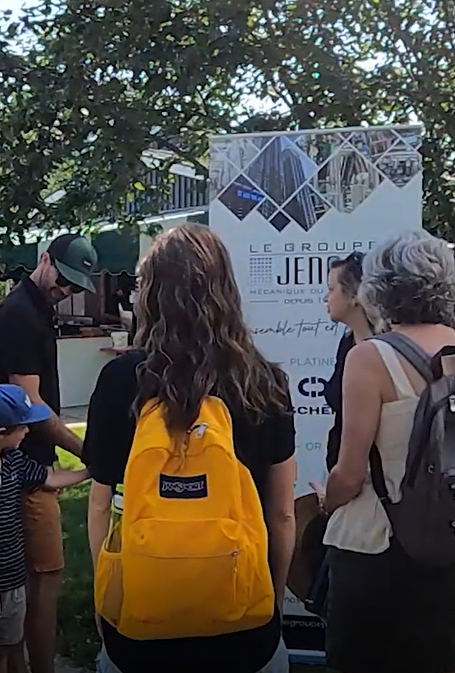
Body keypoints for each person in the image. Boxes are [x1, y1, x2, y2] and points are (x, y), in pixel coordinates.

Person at [83, 223, 297, 673]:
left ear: (152, 295)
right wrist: (272, 600)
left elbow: (101, 507)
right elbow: (281, 514)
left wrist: (107, 605)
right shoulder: (265, 383)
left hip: (142, 627)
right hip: (244, 630)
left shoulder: (123, 381)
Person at [321, 229, 455, 673]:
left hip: (377, 550)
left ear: (380, 288)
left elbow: (351, 472)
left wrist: (327, 501)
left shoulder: (370, 357)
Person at [0, 233, 98, 673]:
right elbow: (29, 406)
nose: (64, 291)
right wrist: (87, 450)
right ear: (44, 260)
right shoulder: (21, 317)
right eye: (62, 280)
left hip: (18, 463)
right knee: (44, 577)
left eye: (74, 286)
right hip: (22, 464)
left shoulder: (32, 310)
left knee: (19, 580)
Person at [0, 384, 90, 673]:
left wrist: (91, 471)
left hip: (13, 582)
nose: (28, 432)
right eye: (23, 427)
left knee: (2, 652)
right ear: (2, 433)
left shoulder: (15, 462)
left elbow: (50, 479)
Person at [294, 252, 372, 599]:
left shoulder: (380, 353)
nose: (325, 297)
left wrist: (340, 490)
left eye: (331, 289)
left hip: (371, 494)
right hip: (342, 478)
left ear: (355, 295)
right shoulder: (346, 344)